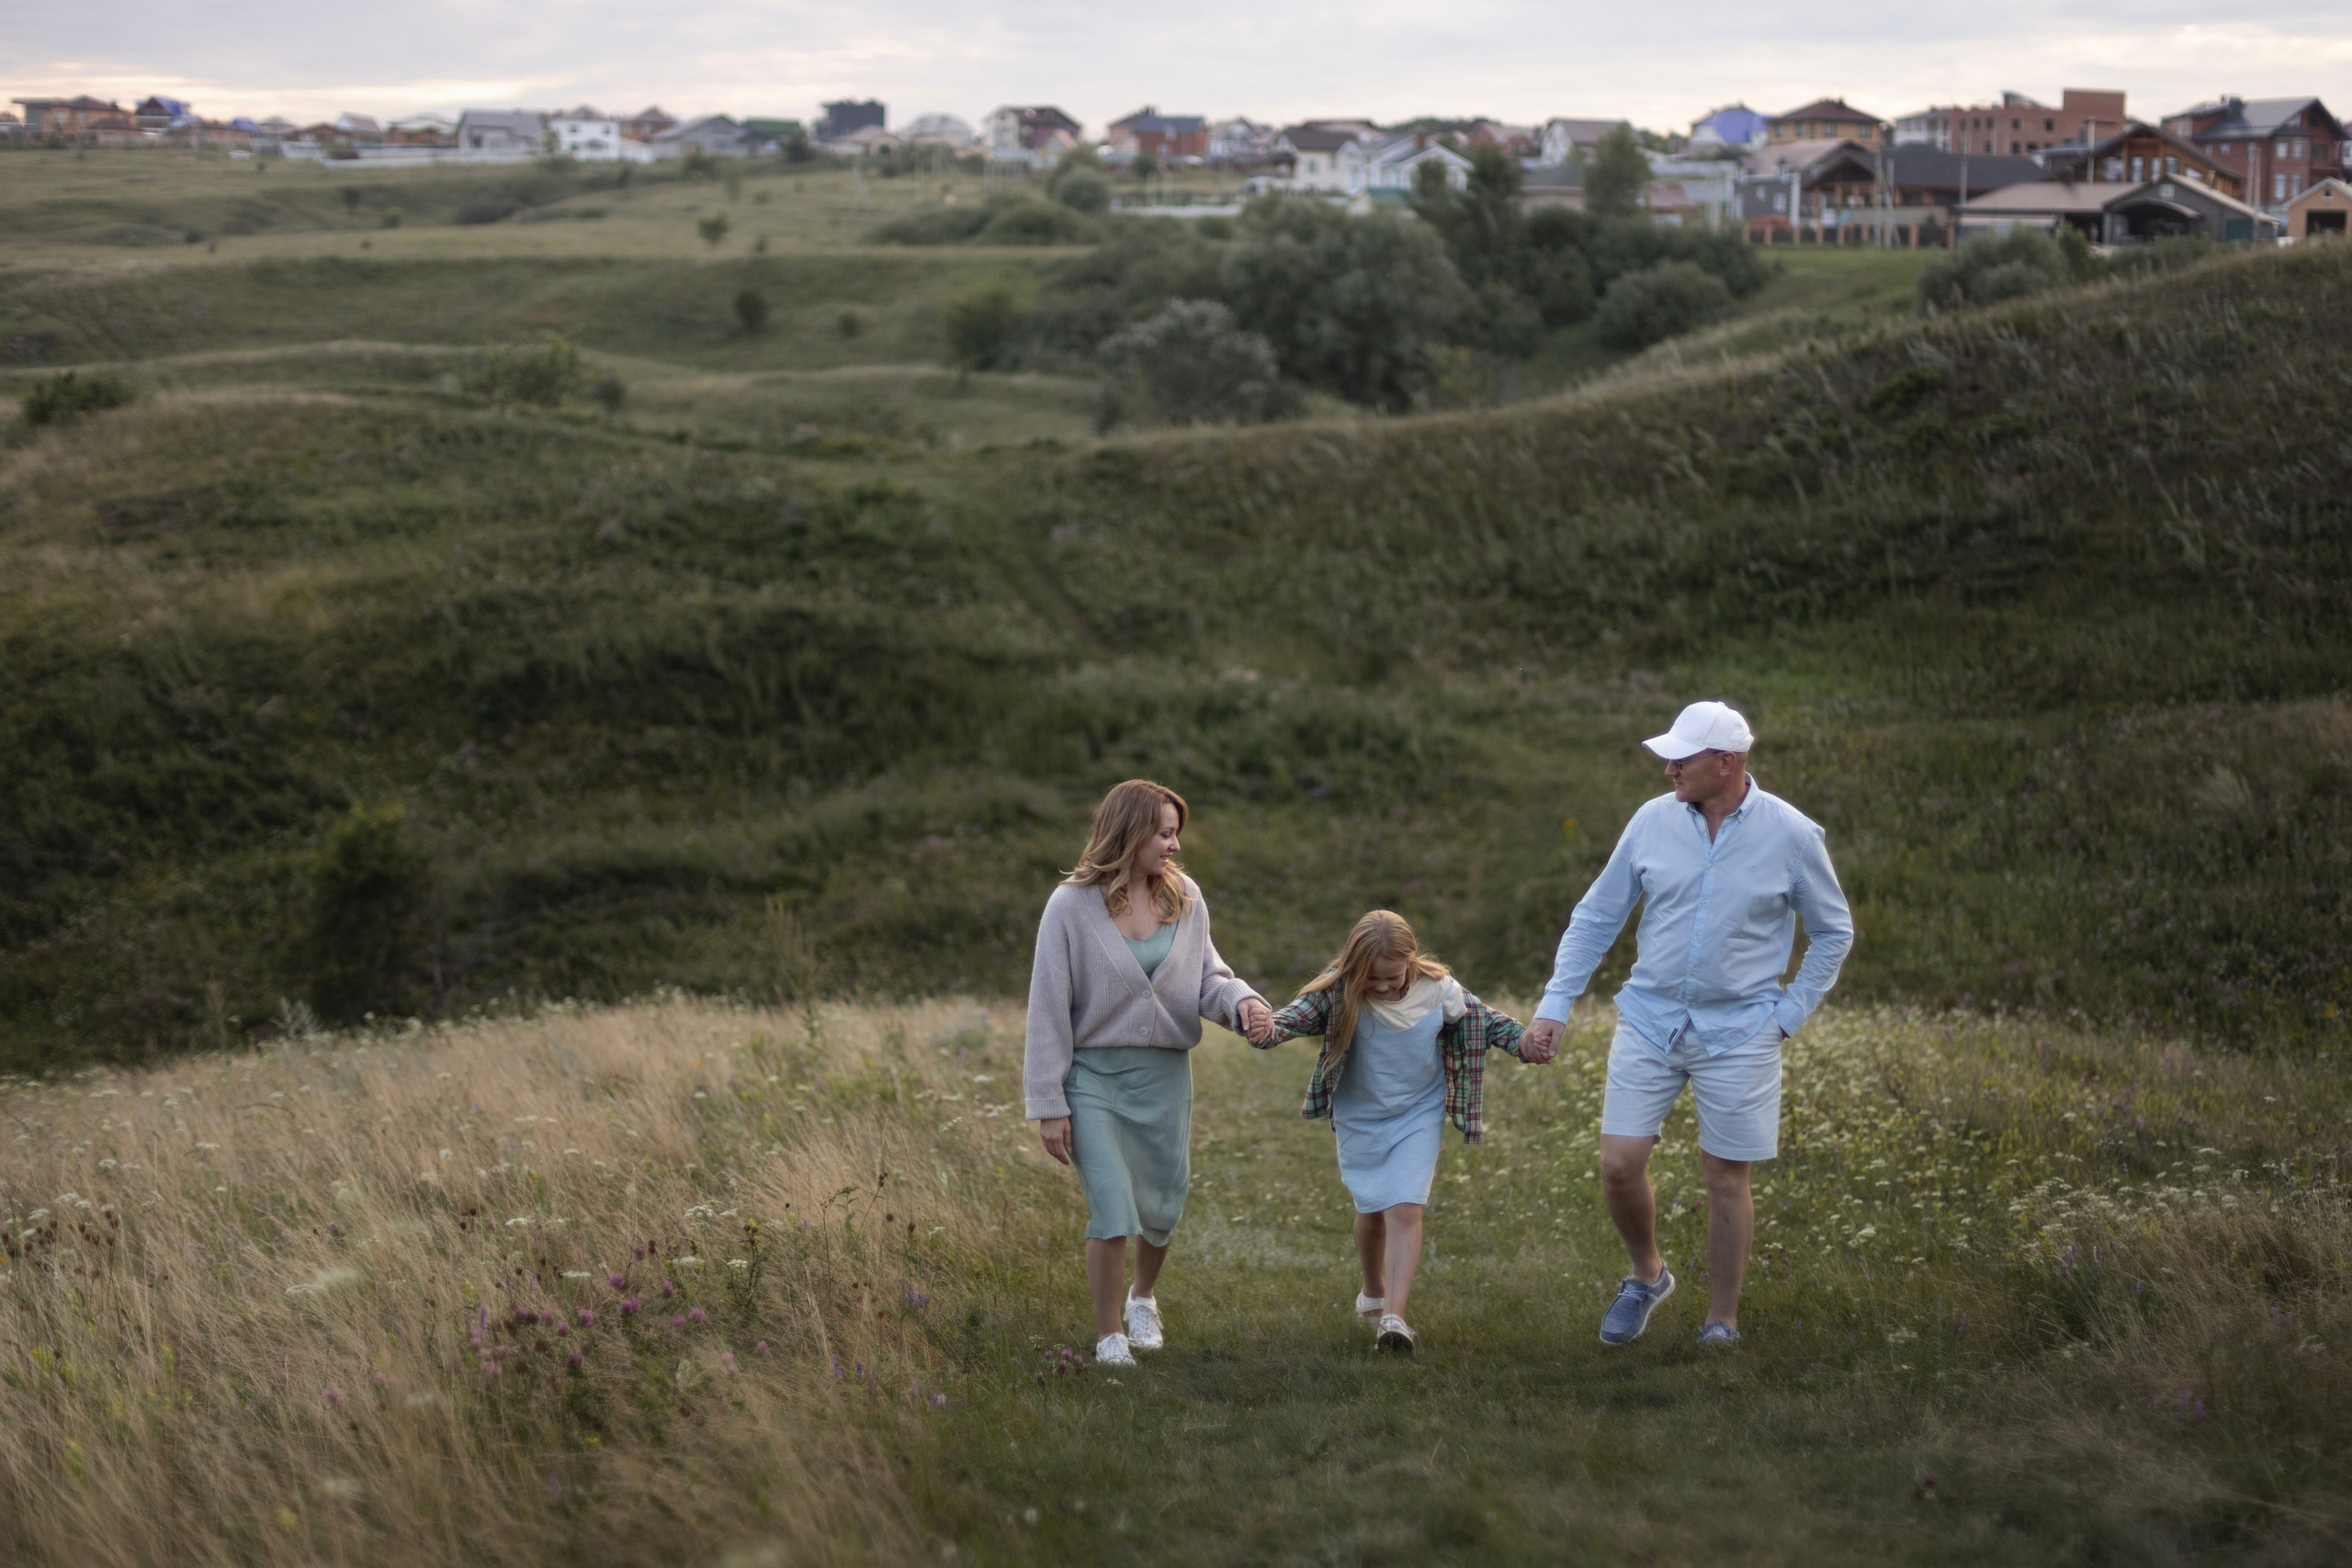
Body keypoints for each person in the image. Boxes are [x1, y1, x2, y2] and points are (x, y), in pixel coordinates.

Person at [1521, 701, 1852, 1348]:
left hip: (1742, 1030)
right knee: (1619, 1163)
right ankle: (1648, 1274)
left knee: (1725, 1174)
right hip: (1649, 1018)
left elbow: (1833, 931)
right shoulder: (1651, 820)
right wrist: (1555, 1002)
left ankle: (1721, 1320)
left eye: (1683, 757)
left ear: (1726, 763)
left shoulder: (1791, 834)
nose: (1669, 767)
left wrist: (1788, 1014)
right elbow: (1596, 915)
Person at [1023, 779, 1274, 1368]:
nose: (1174, 847)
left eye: (1175, 834)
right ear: (1131, 833)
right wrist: (1048, 1103)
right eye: (1165, 834)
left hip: (1164, 1076)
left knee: (1161, 1206)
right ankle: (1110, 1335)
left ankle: (1143, 1299)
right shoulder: (1069, 906)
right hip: (1092, 1078)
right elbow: (1047, 1007)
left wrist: (1243, 1004)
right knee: (1111, 1205)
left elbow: (1209, 978)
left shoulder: (1185, 898)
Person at [1261, 909, 1547, 1354]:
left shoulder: (1438, 990)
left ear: (1411, 962)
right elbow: (1292, 1018)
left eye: (1391, 978)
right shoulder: (1341, 991)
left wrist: (1524, 1042)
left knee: (1405, 1207)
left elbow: (1487, 1020)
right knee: (1372, 1208)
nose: (1381, 987)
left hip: (1418, 1111)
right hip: (1361, 1115)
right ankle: (1372, 1290)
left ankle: (1394, 1319)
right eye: (1371, 979)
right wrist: (1267, 1027)